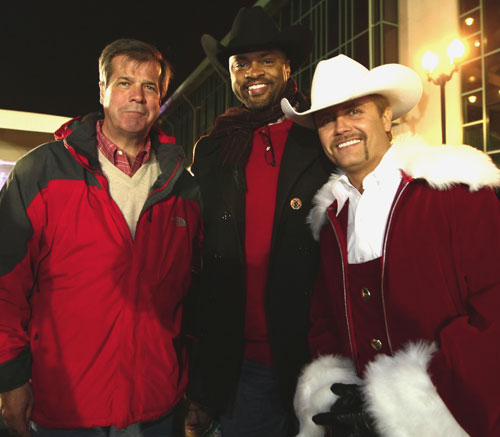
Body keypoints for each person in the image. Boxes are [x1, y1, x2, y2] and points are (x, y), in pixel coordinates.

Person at [281, 54, 500, 436]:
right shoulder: (331, 218)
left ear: (385, 118)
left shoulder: (455, 192)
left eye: (354, 112)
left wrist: (414, 405)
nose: (341, 127)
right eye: (327, 119)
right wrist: (337, 390)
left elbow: (494, 309)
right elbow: (326, 321)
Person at [0, 38, 202, 436]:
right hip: (66, 408)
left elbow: (194, 298)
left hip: (155, 406)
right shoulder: (41, 172)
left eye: (150, 87)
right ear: (102, 91)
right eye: (125, 82)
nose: (137, 97)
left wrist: (198, 387)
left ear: (161, 97)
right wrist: (10, 377)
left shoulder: (184, 188)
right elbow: (5, 286)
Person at [186, 6, 334, 437]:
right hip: (242, 364)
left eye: (267, 60)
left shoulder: (319, 133)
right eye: (241, 63)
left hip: (318, 353)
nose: (254, 72)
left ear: (288, 67)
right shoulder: (213, 150)